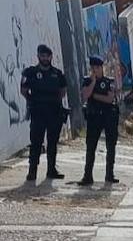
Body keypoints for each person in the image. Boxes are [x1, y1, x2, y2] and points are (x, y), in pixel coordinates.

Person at [20, 44, 68, 183]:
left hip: (54, 112)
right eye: (42, 56)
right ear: (38, 56)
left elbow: (63, 91)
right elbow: (23, 90)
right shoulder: (30, 72)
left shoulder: (57, 74)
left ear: (51, 56)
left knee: (52, 143)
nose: (45, 58)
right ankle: (32, 171)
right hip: (38, 112)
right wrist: (32, 100)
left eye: (47, 56)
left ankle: (51, 170)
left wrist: (53, 102)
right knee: (36, 143)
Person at [79, 55, 120, 186]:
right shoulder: (87, 81)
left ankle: (109, 174)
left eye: (97, 67)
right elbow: (85, 96)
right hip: (93, 117)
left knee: (110, 145)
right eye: (93, 68)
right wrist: (93, 83)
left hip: (108, 117)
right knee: (91, 146)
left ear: (101, 67)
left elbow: (109, 99)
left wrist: (94, 96)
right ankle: (87, 175)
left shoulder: (109, 81)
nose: (95, 70)